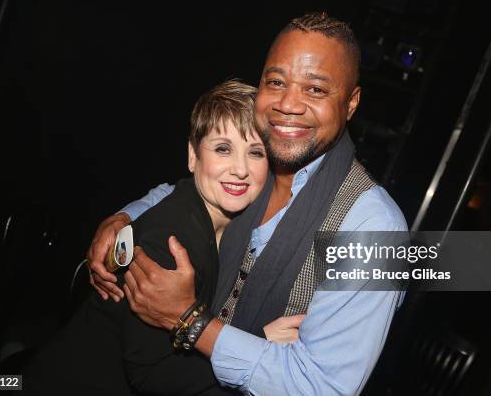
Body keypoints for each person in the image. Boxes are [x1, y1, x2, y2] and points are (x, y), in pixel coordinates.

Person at [89, 12, 407, 395]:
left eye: (316, 90)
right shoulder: (259, 159)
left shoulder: (374, 227)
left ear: (351, 103)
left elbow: (322, 387)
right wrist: (125, 219)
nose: (289, 104)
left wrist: (191, 322)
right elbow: (187, 190)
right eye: (276, 82)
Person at [23, 80, 300, 394]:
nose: (240, 169)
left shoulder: (224, 221)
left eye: (256, 152)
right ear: (193, 155)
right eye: (223, 148)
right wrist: (259, 345)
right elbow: (154, 378)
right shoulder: (170, 240)